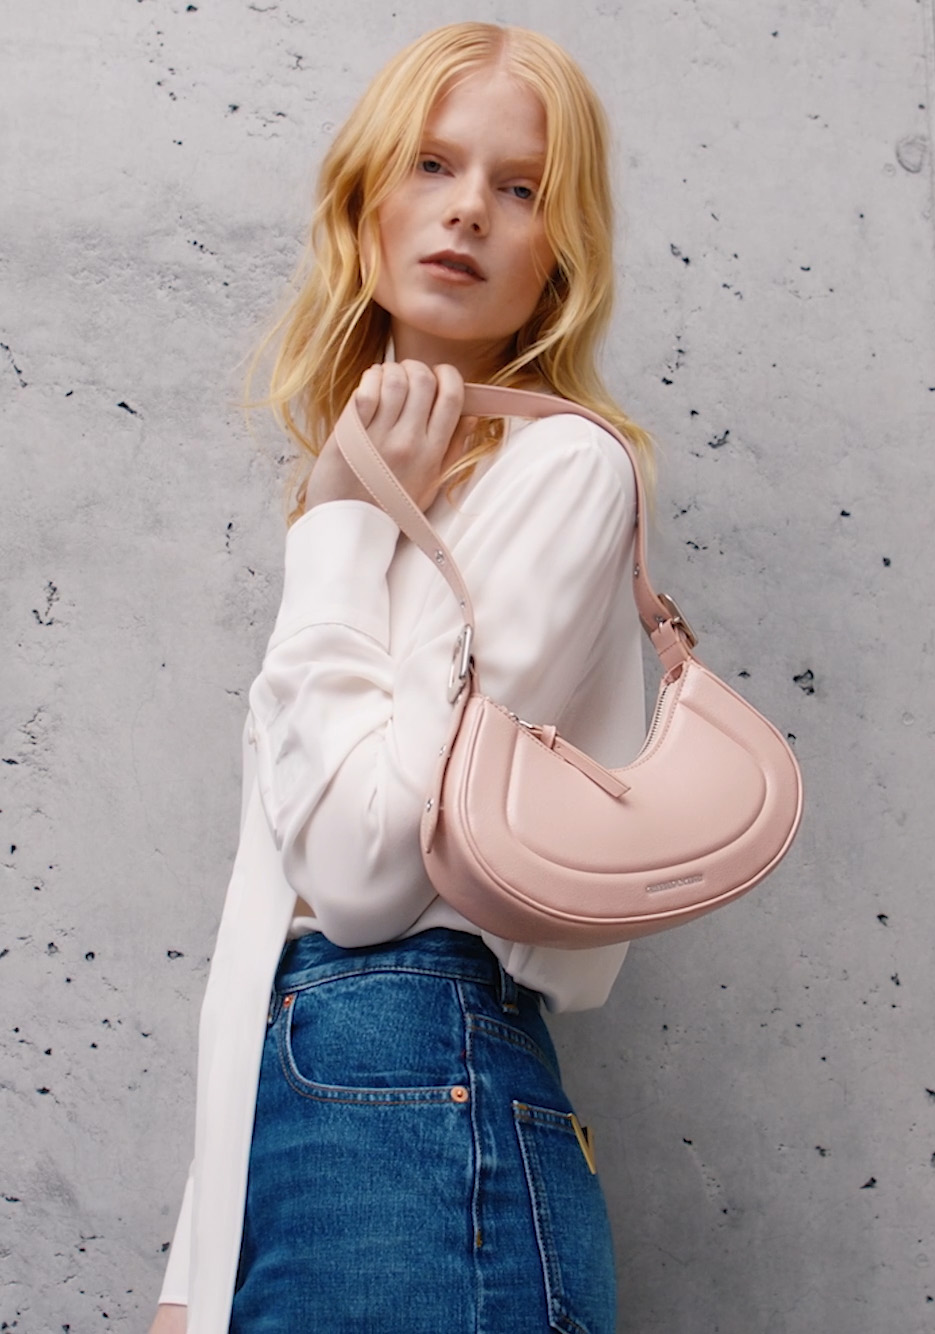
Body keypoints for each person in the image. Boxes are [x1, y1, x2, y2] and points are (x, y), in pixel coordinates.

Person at [149, 21, 654, 1334]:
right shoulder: (382, 494)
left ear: (558, 257)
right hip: (314, 1107)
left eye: (520, 187)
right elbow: (273, 914)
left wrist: (339, 525)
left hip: (422, 1090)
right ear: (365, 196)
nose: (468, 209)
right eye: (433, 164)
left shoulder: (566, 469)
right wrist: (194, 1272)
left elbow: (367, 882)